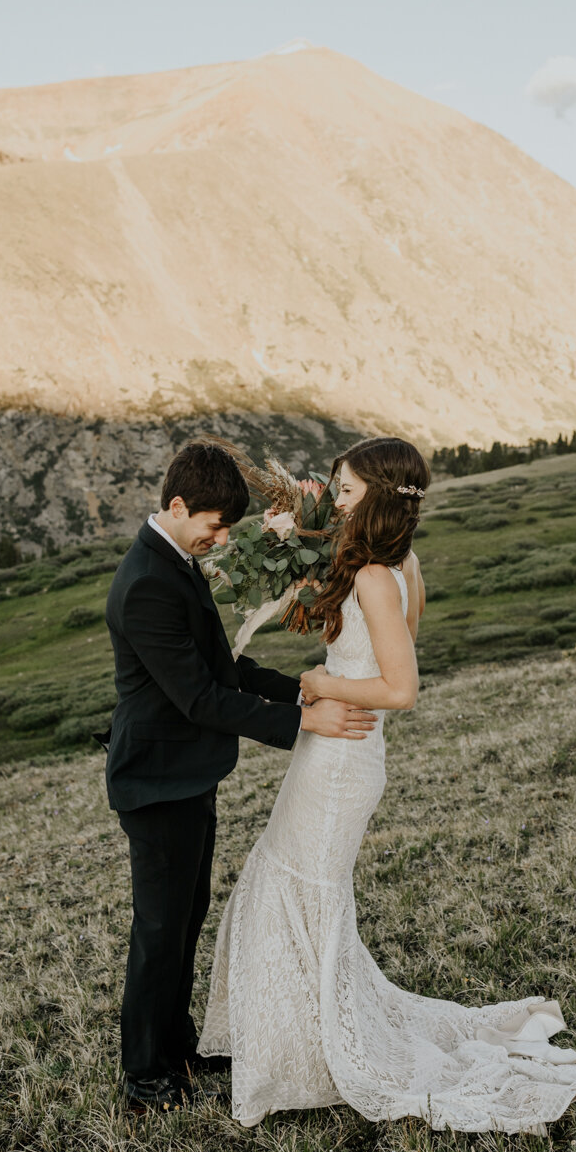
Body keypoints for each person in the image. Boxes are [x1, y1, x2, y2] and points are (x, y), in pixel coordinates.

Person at [198, 435, 576, 1133]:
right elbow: (374, 641)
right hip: (346, 757)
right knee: (294, 883)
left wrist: (317, 681)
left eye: (343, 489)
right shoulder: (398, 563)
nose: (333, 499)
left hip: (340, 760)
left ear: (374, 492)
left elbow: (400, 687)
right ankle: (299, 1044)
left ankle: (313, 1055)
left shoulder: (374, 574)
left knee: (297, 886)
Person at [102, 440, 378, 1113]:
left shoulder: (174, 563)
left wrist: (300, 695)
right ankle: (145, 1076)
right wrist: (301, 726)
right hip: (156, 780)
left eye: (227, 527)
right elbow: (198, 698)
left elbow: (223, 669)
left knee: (184, 920)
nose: (220, 539)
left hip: (186, 775)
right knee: (160, 931)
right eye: (214, 525)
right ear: (175, 505)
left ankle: (177, 1050)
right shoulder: (145, 584)